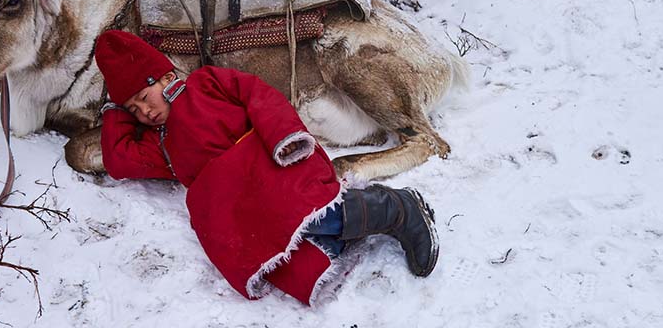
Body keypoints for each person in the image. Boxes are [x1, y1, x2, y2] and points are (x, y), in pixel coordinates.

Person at [94, 30, 439, 305]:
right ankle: (343, 235)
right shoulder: (162, 143)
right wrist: (115, 108)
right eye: (133, 110)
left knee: (298, 210)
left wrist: (282, 136)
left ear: (165, 76)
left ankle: (395, 209)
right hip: (238, 202)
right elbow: (118, 159)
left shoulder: (205, 83)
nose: (144, 112)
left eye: (144, 96)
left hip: (270, 167)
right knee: (267, 246)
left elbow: (258, 95)